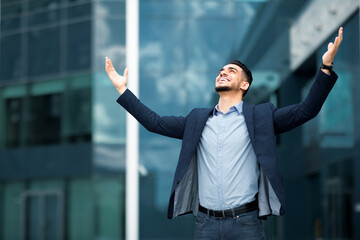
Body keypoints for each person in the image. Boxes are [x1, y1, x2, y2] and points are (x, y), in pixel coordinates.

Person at [105, 27, 343, 239]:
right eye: (221, 70)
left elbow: (306, 110)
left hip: (246, 224)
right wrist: (123, 90)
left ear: (244, 85)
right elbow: (154, 123)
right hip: (205, 224)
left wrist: (325, 68)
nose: (223, 72)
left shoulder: (261, 117)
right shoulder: (197, 120)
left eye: (231, 70)